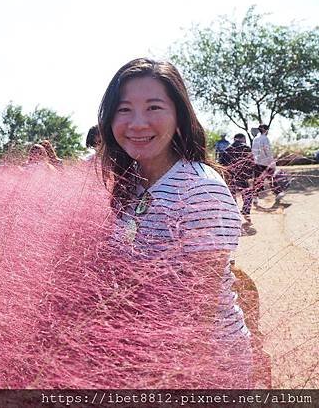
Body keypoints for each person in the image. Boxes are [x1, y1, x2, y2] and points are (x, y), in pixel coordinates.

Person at [98, 58, 252, 385]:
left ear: (179, 117)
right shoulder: (132, 184)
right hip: (146, 359)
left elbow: (203, 305)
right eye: (124, 109)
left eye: (154, 107)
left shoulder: (199, 189)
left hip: (202, 368)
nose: (137, 123)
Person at [219, 134, 255, 223]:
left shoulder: (226, 150)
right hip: (243, 177)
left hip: (230, 177)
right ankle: (246, 212)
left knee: (232, 197)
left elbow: (221, 164)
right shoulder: (246, 148)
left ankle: (234, 217)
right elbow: (251, 162)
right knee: (248, 195)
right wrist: (250, 176)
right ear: (242, 139)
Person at [251, 124, 282, 203]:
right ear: (265, 130)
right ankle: (278, 192)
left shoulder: (255, 139)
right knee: (271, 178)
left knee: (257, 180)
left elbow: (253, 151)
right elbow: (267, 151)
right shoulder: (265, 139)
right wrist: (272, 162)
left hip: (257, 162)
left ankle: (255, 197)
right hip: (265, 162)